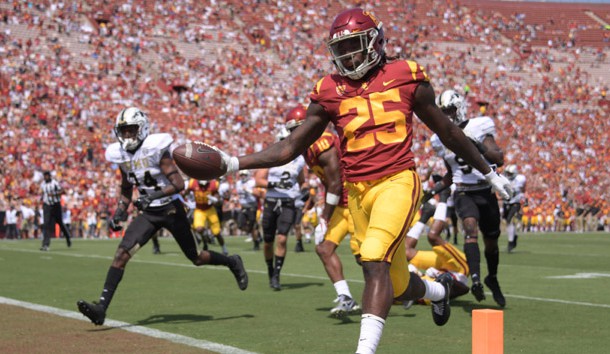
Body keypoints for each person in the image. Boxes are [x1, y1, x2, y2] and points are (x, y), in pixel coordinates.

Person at [207, 8, 512, 353]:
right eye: (342, 49)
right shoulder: (329, 89)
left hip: (397, 181)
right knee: (395, 285)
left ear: (375, 41)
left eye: (354, 45)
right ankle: (438, 290)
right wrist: (232, 163)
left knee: (373, 259)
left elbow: (448, 130)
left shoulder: (406, 74)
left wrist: (488, 172)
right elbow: (291, 146)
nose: (348, 56)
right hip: (357, 193)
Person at [76, 107, 248, 326]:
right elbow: (126, 188)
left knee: (195, 257)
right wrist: (119, 212)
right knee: (121, 254)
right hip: (149, 214)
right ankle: (101, 308)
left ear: (142, 129)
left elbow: (179, 184)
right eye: (124, 131)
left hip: (170, 209)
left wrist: (152, 196)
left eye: (131, 130)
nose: (127, 135)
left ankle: (231, 261)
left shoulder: (156, 150)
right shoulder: (121, 156)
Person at [431, 89, 508, 308]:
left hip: (486, 189)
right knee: (470, 228)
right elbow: (451, 172)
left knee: (491, 243)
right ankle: (475, 279)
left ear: (460, 108)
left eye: (450, 110)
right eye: (443, 112)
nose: (447, 116)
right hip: (464, 191)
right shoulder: (438, 139)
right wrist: (434, 189)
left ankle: (491, 278)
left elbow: (498, 159)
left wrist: (476, 144)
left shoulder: (480, 125)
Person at [284, 105, 360, 317]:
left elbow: (335, 183)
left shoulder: (321, 142)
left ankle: (408, 280)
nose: (293, 136)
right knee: (324, 248)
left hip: (355, 202)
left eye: (295, 130)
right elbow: (329, 184)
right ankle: (346, 298)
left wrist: (324, 217)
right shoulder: (307, 148)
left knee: (365, 258)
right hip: (340, 205)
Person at [255, 128, 307, 290]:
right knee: (268, 241)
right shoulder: (272, 157)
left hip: (288, 202)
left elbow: (302, 182)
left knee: (283, 238)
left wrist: (305, 192)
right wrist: (274, 184)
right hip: (271, 201)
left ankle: (277, 275)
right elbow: (258, 179)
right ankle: (270, 270)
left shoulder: (298, 160)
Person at [186, 178, 228, 255]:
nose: (203, 187)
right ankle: (205, 239)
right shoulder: (192, 183)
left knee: (216, 232)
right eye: (201, 185)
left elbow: (218, 198)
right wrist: (187, 199)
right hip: (199, 209)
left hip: (210, 209)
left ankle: (224, 247)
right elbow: (185, 192)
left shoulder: (213, 184)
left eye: (205, 185)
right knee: (199, 229)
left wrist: (214, 199)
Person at [39, 170, 72, 250]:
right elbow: (43, 193)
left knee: (60, 222)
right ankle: (45, 244)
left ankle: (68, 237)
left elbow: (62, 191)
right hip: (47, 205)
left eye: (47, 176)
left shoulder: (55, 183)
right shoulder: (43, 184)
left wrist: (54, 195)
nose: (46, 177)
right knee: (46, 224)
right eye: (45, 176)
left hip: (56, 205)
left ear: (50, 176)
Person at [236, 170, 262, 250]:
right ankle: (258, 236)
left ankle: (256, 242)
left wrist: (248, 190)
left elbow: (258, 194)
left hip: (252, 206)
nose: (243, 176)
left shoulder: (252, 182)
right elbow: (239, 195)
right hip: (243, 207)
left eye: (244, 174)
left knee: (252, 226)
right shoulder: (238, 183)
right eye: (241, 175)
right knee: (240, 225)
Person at [503, 164, 526, 252]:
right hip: (506, 202)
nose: (508, 175)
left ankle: (510, 242)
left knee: (509, 220)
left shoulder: (519, 179)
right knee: (508, 221)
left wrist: (523, 205)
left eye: (510, 173)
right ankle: (514, 236)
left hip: (515, 202)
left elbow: (523, 190)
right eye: (507, 173)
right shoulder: (504, 179)